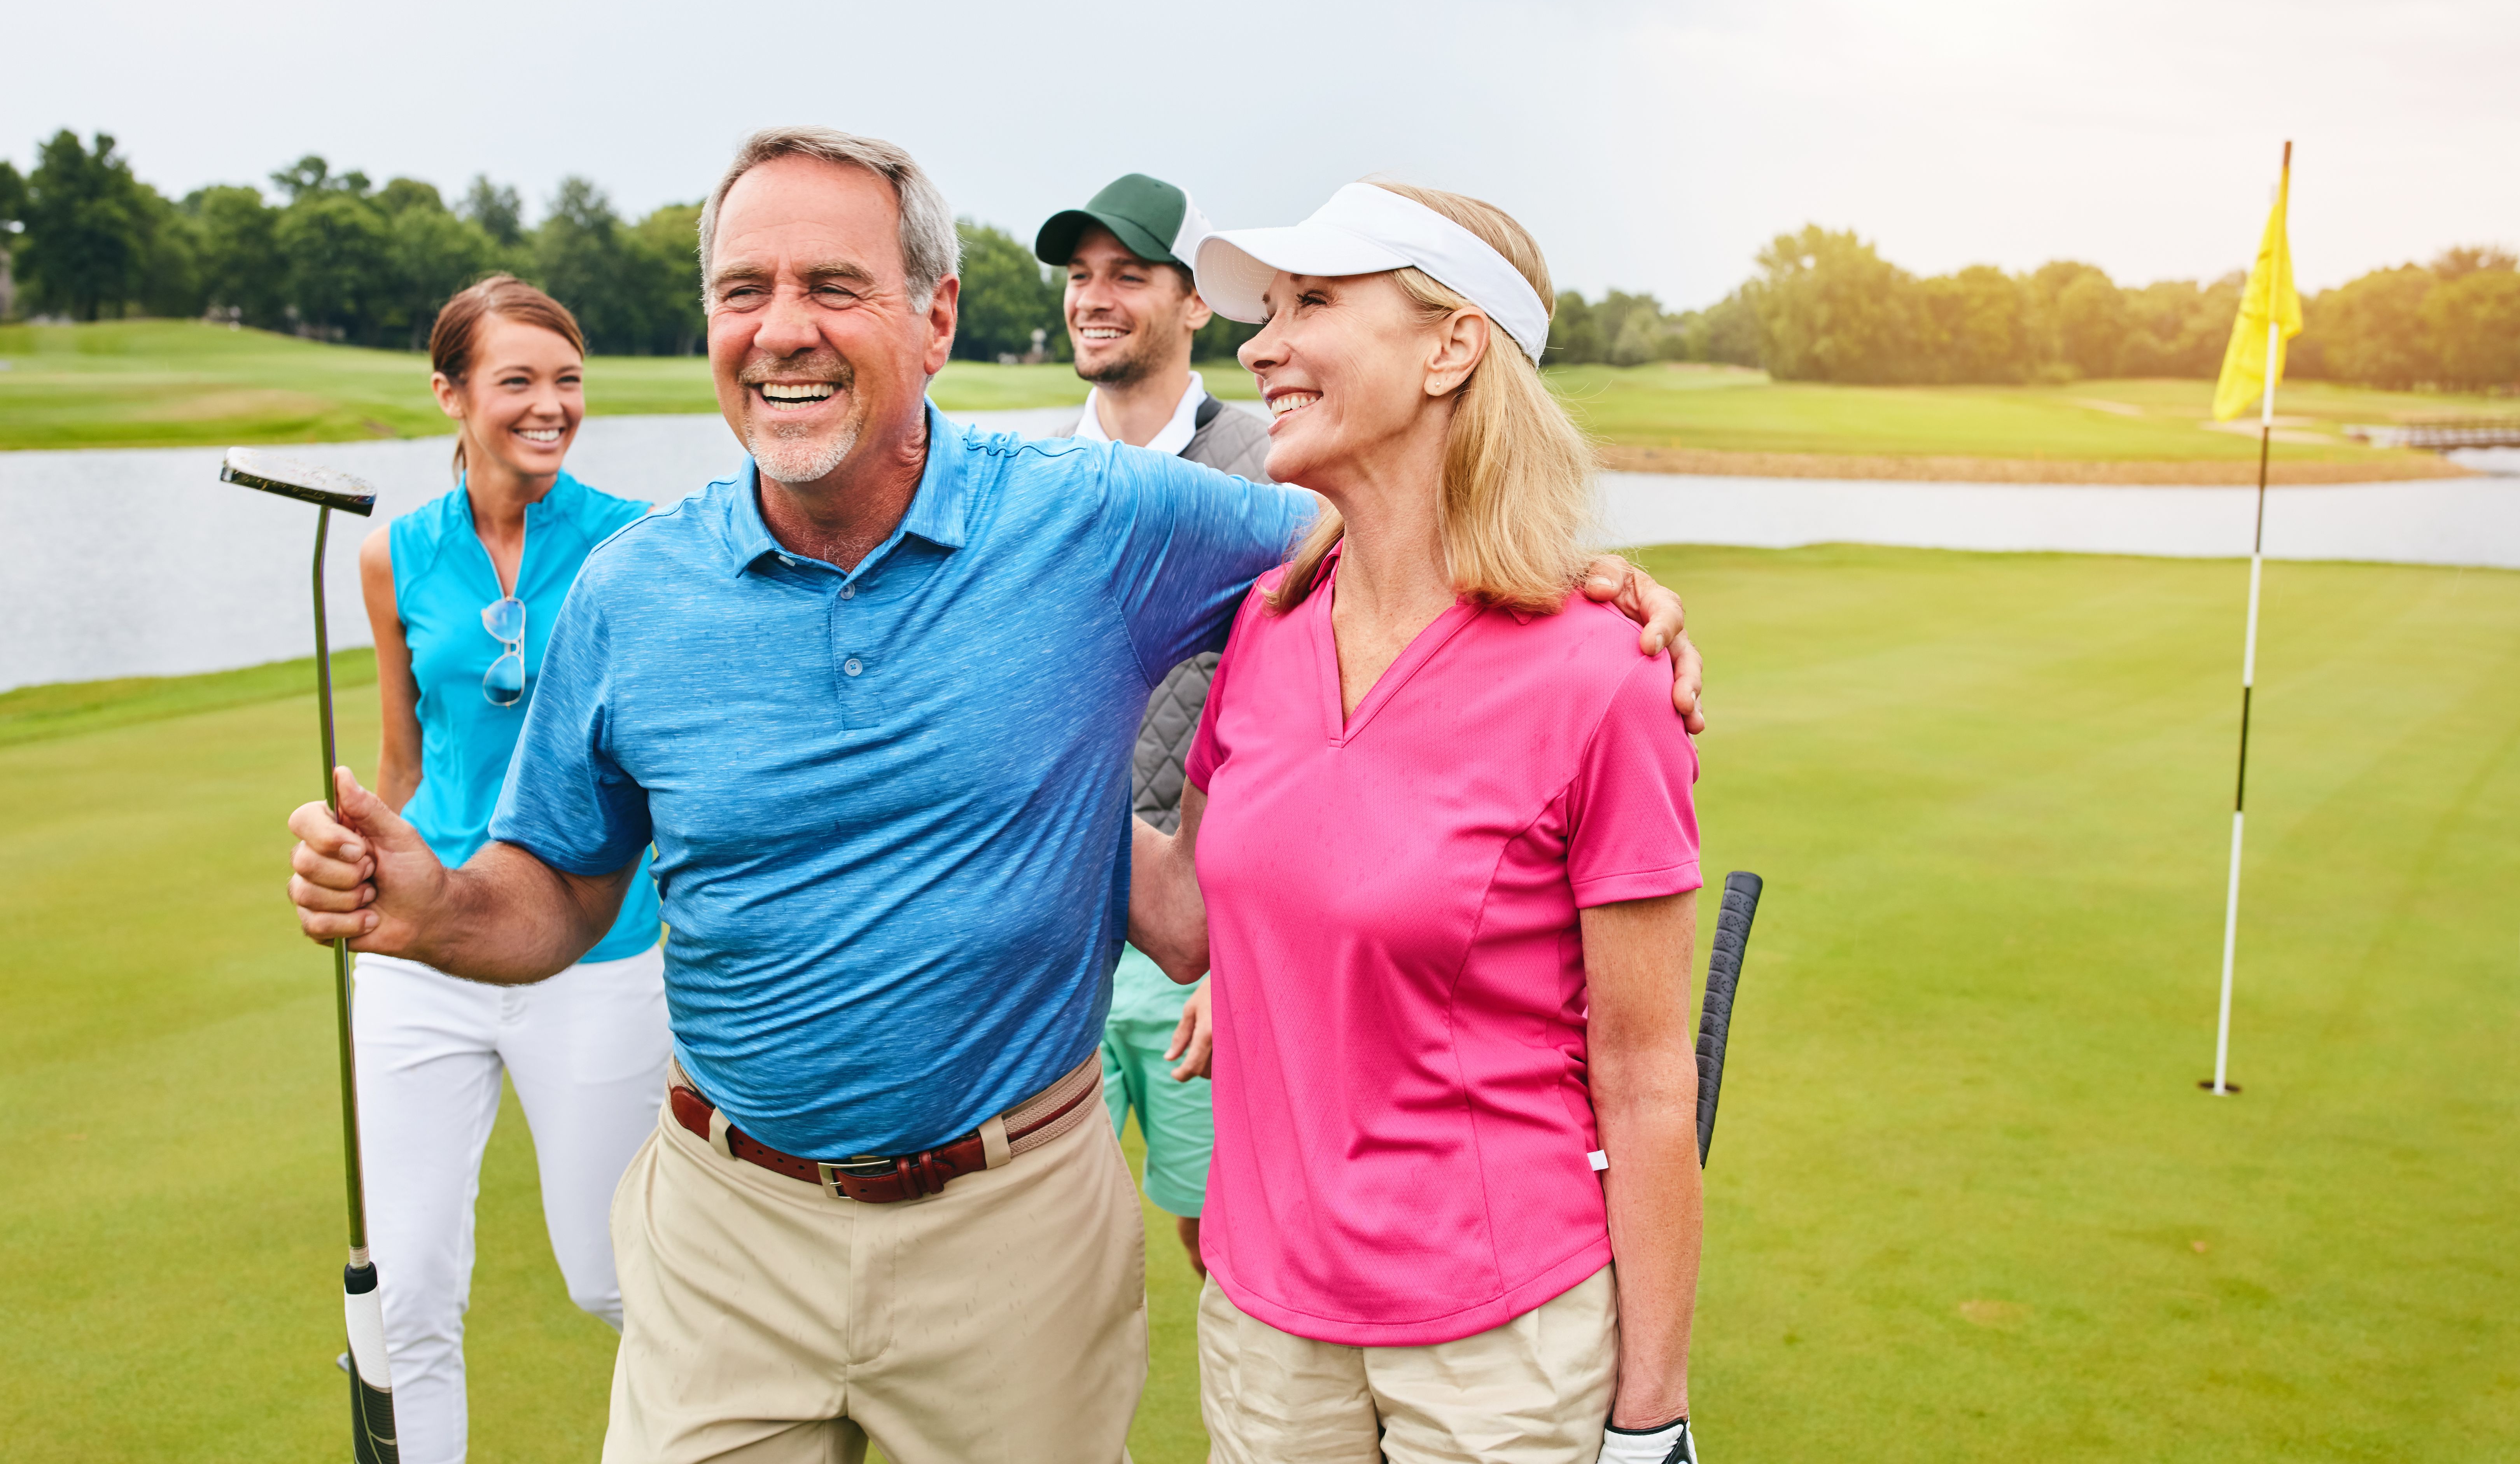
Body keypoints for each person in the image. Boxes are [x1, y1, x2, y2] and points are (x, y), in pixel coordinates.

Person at [284, 127, 1702, 1464]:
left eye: (835, 286)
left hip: (1018, 1222)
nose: (782, 328)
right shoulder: (630, 589)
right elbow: (558, 891)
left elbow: (1401, 531)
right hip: (727, 1219)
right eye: (744, 291)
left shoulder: (1103, 520)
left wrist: (1587, 582)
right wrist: (442, 906)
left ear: (937, 322)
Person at [1130, 182, 1707, 1464]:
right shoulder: (1265, 628)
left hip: (1500, 1345)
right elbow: (1183, 924)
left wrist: (1650, 1420)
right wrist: (997, 753)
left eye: (1315, 304)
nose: (1262, 345)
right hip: (1267, 1328)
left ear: (1452, 348)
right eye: (1267, 311)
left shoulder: (1603, 677)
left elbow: (1648, 1077)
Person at [352, 274, 669, 1464]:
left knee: (611, 1279)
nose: (551, 406)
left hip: (593, 947)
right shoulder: (392, 555)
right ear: (451, 395)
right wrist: (354, 853)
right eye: (518, 382)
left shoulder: (635, 543)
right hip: (425, 946)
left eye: (568, 380)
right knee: (409, 1290)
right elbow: (402, 757)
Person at [1034, 172, 1265, 1276]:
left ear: (1197, 304)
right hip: (1049, 931)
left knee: (1213, 1228)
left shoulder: (1273, 466)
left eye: (1131, 275)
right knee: (1033, 1243)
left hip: (1210, 934)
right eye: (1081, 277)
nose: (1096, 297)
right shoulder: (1025, 482)